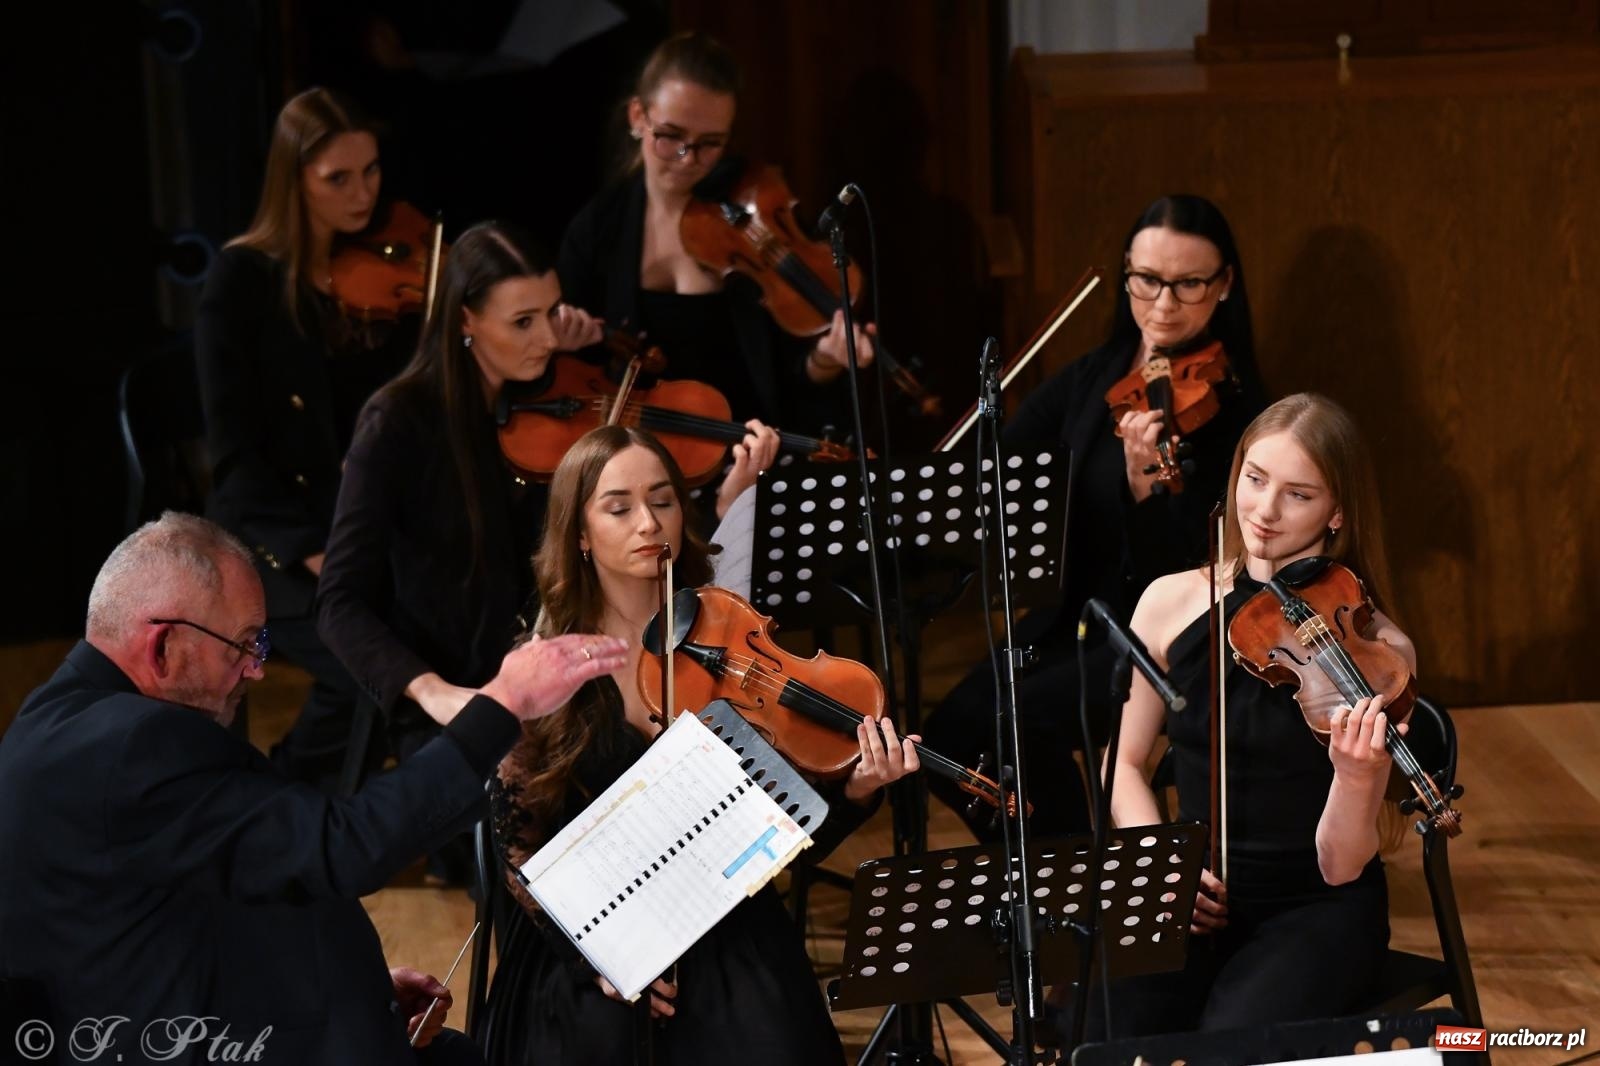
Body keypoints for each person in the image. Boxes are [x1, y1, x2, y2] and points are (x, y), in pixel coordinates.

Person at [0, 512, 627, 1065]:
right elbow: (344, 846)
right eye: (243, 645)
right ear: (163, 646)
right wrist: (503, 705)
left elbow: (182, 907)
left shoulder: (59, 721)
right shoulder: (132, 745)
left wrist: (356, 985)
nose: (258, 667)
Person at [315, 221, 779, 881]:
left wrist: (722, 499)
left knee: (677, 834)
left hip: (570, 691)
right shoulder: (398, 423)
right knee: (567, 868)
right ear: (466, 320)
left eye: (551, 314)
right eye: (524, 322)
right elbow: (338, 602)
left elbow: (623, 527)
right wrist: (438, 693)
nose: (546, 339)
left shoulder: (546, 402)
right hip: (469, 700)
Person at [484, 425, 919, 1065]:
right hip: (589, 940)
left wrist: (855, 790)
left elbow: (774, 843)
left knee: (773, 1040)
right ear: (579, 533)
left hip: (718, 918)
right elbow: (516, 845)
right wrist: (601, 959)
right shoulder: (544, 667)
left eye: (662, 500)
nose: (647, 522)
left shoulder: (728, 642)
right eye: (618, 506)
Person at [921, 193, 1267, 839]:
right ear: (1125, 274)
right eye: (1147, 281)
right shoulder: (1098, 375)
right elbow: (1005, 452)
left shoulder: (1238, 409)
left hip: (1161, 641)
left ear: (1223, 285)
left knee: (1010, 723)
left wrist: (1144, 488)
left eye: (1188, 284)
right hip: (1070, 619)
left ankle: (1078, 883)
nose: (1163, 304)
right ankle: (1062, 868)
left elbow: (1190, 569)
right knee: (947, 735)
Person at [1095, 392, 1413, 1035]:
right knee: (1095, 1031)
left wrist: (1357, 778)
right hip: (1186, 899)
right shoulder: (1167, 603)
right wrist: (1162, 866)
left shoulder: (1378, 653)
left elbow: (1341, 865)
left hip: (1316, 910)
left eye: (1298, 494)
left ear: (1337, 512)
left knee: (1231, 1046)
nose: (1264, 511)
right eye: (1255, 479)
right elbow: (1123, 761)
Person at [196, 86, 415, 788]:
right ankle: (283, 802)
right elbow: (234, 454)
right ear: (294, 181)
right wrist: (314, 551)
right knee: (361, 671)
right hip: (270, 534)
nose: (363, 194)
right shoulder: (239, 282)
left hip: (357, 524)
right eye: (338, 179)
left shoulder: (382, 274)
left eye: (372, 172)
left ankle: (444, 828)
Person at [556, 31, 876, 439]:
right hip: (639, 456)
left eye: (711, 143)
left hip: (751, 449)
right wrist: (567, 339)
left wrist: (825, 361)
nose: (689, 159)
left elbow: (791, 378)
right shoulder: (597, 229)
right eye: (671, 136)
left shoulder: (754, 212)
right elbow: (576, 375)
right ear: (638, 117)